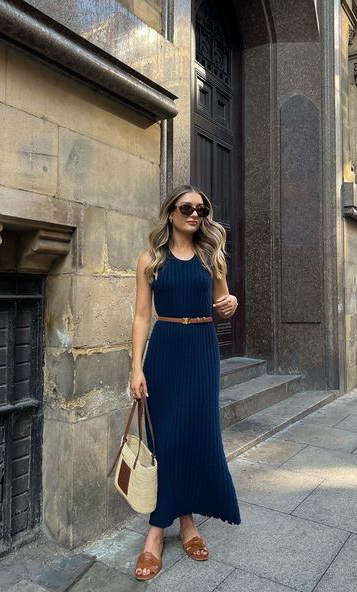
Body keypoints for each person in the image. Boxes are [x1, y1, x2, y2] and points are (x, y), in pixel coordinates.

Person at [130, 184, 241, 581]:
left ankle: (184, 523)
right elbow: (143, 317)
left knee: (198, 435)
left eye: (201, 208)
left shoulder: (212, 256)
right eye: (187, 208)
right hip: (165, 350)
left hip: (202, 351)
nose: (195, 214)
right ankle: (161, 531)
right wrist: (136, 367)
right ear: (171, 212)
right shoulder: (151, 259)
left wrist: (230, 304)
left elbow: (223, 304)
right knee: (168, 439)